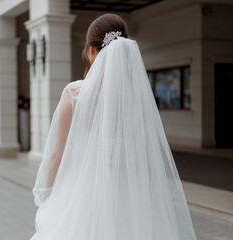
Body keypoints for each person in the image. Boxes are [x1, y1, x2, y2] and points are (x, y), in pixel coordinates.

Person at [31, 14, 197, 240]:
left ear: (91, 50)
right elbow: (146, 153)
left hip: (83, 195)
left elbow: (57, 156)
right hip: (130, 194)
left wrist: (47, 194)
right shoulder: (136, 96)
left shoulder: (74, 93)